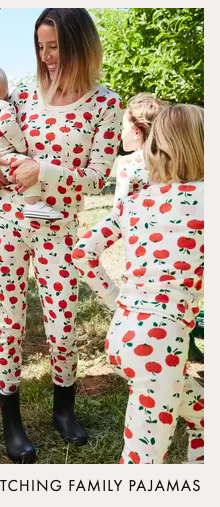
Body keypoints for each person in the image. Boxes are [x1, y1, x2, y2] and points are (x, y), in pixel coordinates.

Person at [0, 8, 123, 463]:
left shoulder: (105, 104)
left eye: (55, 45)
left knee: (62, 324)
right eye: (41, 45)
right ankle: (12, 421)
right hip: (6, 226)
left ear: (80, 45)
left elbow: (97, 177)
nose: (47, 55)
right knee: (9, 321)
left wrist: (45, 170)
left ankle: (63, 410)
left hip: (58, 231)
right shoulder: (21, 91)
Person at [72, 104, 204, 464]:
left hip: (123, 335)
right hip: (161, 346)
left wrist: (117, 299)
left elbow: (83, 252)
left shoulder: (136, 202)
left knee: (205, 413)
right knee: (142, 462)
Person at [0, 64, 63, 220]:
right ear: (6, 93)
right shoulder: (4, 105)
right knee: (28, 166)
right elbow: (7, 125)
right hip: (5, 156)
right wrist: (21, 148)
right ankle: (33, 204)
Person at [113, 93, 165, 210]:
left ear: (137, 132)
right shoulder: (174, 159)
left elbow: (119, 208)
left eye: (123, 128)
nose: (120, 134)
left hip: (139, 225)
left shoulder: (127, 162)